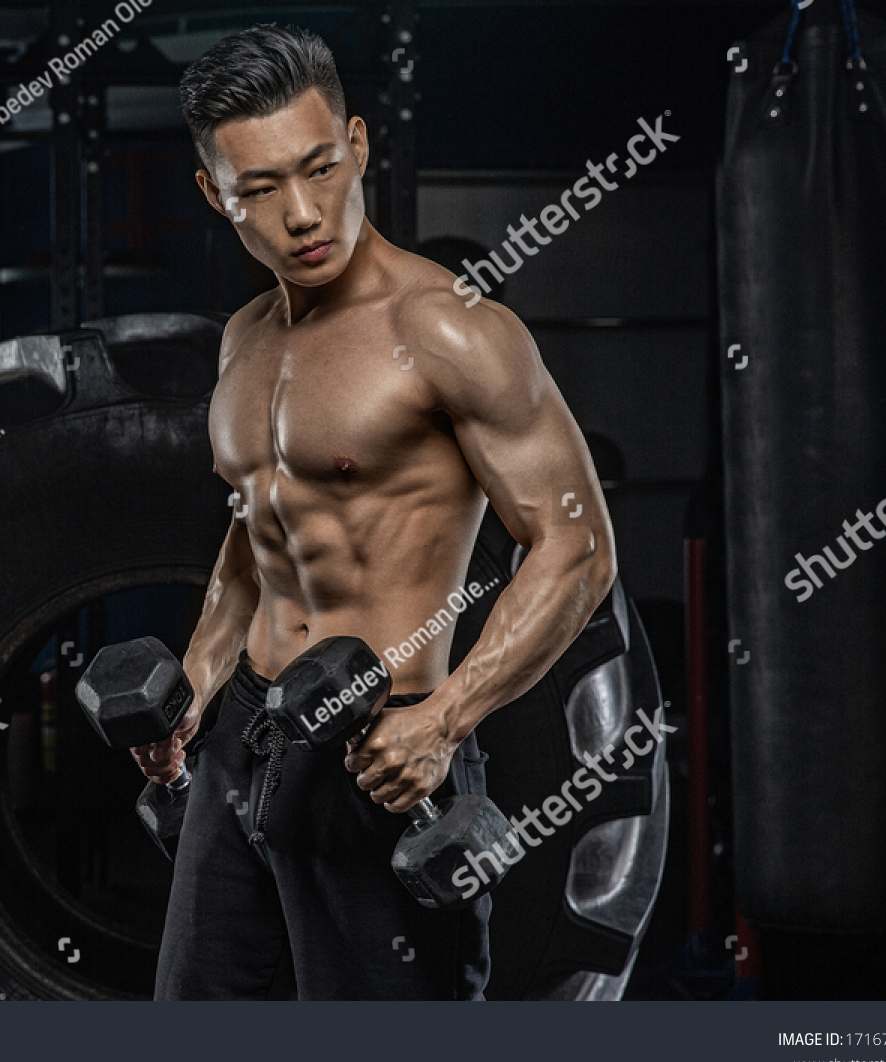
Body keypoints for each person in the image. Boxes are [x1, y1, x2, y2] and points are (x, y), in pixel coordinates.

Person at [137, 23, 615, 1000]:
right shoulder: (244, 338)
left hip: (380, 750)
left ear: (358, 144)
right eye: (259, 191)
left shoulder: (450, 330)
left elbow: (577, 546)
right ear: (212, 195)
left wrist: (446, 719)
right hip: (241, 744)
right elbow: (252, 529)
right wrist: (197, 675)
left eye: (319, 168)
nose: (303, 214)